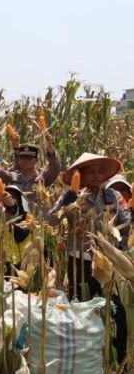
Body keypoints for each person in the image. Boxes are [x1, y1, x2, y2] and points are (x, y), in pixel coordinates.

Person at [47, 153, 129, 362]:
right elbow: (51, 220)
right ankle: (85, 357)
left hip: (109, 263)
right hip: (80, 261)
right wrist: (65, 204)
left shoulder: (112, 196)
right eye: (91, 171)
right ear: (79, 175)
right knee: (82, 307)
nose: (97, 175)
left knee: (115, 310)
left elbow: (125, 224)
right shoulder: (71, 195)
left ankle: (116, 358)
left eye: (99, 171)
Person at [0, 137, 60, 209]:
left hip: (36, 220)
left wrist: (51, 149)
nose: (25, 160)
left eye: (29, 158)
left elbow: (55, 168)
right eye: (22, 157)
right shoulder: (12, 176)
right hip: (15, 217)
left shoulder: (42, 178)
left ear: (36, 160)